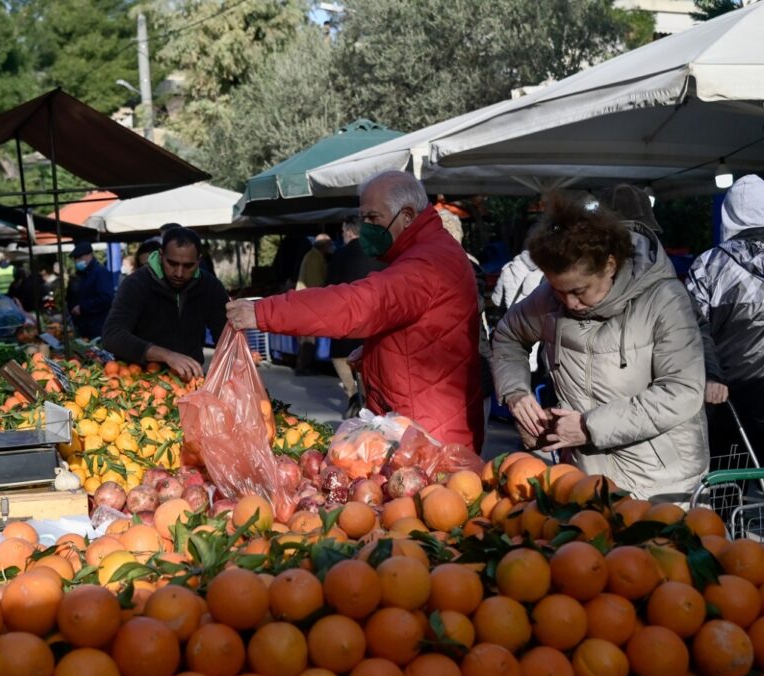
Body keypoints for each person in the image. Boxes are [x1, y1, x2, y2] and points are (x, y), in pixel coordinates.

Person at [227, 171, 484, 452]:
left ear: (407, 216)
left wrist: (263, 312)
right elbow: (422, 327)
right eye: (363, 218)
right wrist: (376, 351)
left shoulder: (427, 263)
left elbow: (359, 305)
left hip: (427, 436)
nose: (366, 227)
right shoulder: (428, 252)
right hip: (421, 422)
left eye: (373, 218)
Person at [492, 193, 708, 503]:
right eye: (558, 290)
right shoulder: (550, 298)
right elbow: (508, 336)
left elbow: (682, 391)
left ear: (609, 266)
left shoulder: (665, 299)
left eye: (579, 291)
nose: (568, 302)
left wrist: (588, 426)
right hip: (585, 478)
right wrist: (516, 393)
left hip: (661, 483)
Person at [686, 174, 764, 459]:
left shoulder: (708, 265)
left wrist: (710, 375)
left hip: (728, 397)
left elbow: (692, 328)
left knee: (728, 486)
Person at [103, 227, 229, 381]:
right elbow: (112, 335)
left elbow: (225, 336)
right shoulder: (136, 284)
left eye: (188, 266)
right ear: (161, 255)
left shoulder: (210, 287)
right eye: (172, 263)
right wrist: (166, 355)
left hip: (189, 381)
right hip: (139, 381)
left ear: (199, 261)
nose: (179, 273)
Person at [440, 208, 494, 427]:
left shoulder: (468, 267)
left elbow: (472, 305)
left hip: (469, 370)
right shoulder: (468, 266)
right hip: (458, 371)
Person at [327, 220, 386, 418]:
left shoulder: (340, 254)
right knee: (368, 357)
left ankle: (353, 394)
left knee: (339, 353)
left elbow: (330, 287)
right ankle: (365, 397)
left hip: (345, 316)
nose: (342, 234)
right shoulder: (380, 252)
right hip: (375, 316)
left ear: (350, 231)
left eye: (343, 230)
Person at [293, 233, 334, 375]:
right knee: (308, 336)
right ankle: (303, 367)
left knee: (307, 336)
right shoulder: (314, 258)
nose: (331, 247)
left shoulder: (315, 256)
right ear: (324, 246)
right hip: (307, 303)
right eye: (329, 245)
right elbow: (316, 284)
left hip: (306, 302)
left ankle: (304, 365)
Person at [66, 242, 114, 339]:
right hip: (84, 327)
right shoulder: (81, 274)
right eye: (76, 259)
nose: (77, 261)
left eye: (80, 258)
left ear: (89, 255)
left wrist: (82, 308)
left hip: (97, 328)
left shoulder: (100, 272)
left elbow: (106, 299)